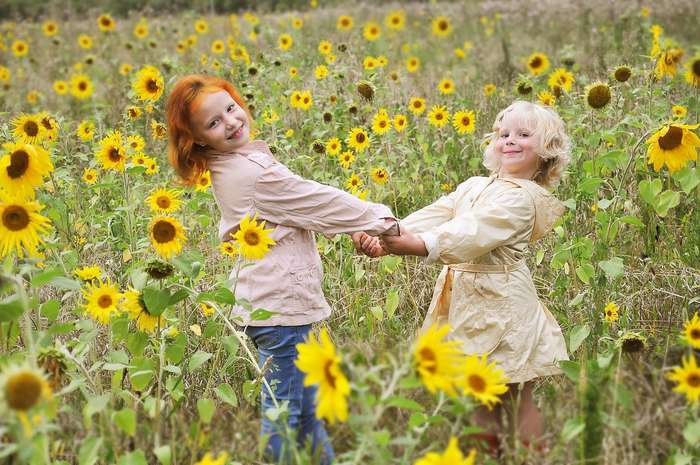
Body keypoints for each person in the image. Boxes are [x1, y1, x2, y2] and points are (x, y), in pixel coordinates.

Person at [165, 74, 399, 465]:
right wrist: (381, 220)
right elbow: (317, 201)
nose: (231, 121)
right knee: (284, 413)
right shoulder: (251, 174)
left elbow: (301, 210)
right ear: (199, 140)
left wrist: (358, 226)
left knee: (304, 411)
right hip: (280, 311)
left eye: (229, 108)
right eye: (213, 123)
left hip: (276, 307)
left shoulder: (239, 162)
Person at [358, 100, 571, 454]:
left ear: (547, 150)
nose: (510, 140)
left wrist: (416, 245)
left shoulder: (523, 199)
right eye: (503, 133)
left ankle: (534, 459)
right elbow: (440, 213)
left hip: (504, 307)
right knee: (477, 395)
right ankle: (486, 457)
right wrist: (390, 232)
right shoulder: (474, 185)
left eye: (523, 134)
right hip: (467, 302)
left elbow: (471, 232)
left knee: (516, 396)